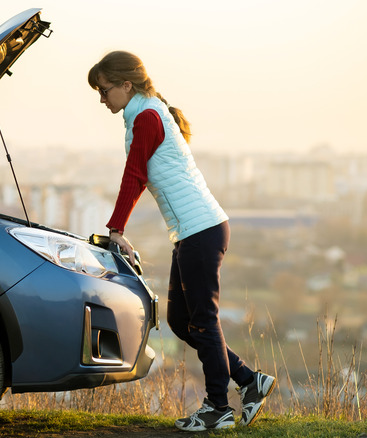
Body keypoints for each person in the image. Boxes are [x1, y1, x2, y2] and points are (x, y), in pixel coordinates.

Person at [88, 51, 276, 431]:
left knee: (204, 321)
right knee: (179, 320)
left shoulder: (146, 117)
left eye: (104, 89)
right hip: (194, 232)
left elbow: (134, 175)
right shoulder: (148, 113)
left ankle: (217, 407)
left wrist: (116, 228)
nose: (101, 98)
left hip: (200, 231)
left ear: (127, 85)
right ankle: (249, 381)